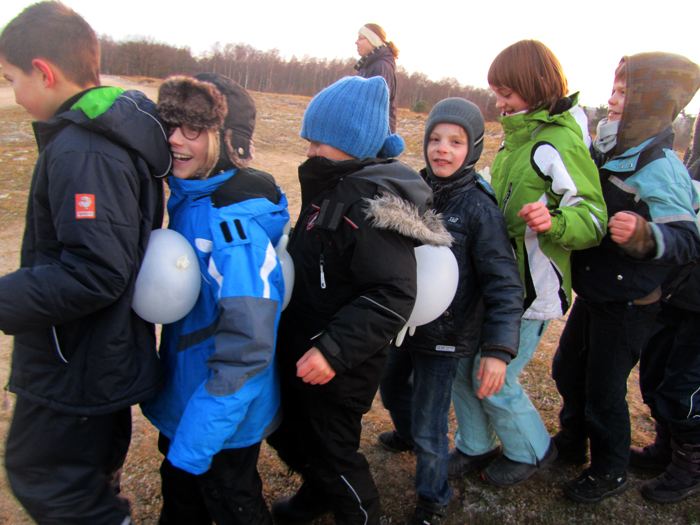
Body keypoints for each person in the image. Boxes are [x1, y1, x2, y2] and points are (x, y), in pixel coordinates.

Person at [0, 3, 170, 524]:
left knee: (48, 479)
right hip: (94, 355)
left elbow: (98, 271)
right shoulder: (93, 137)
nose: (13, 93)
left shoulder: (86, 149)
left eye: (11, 79)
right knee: (82, 480)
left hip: (78, 362)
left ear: (44, 72)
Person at [266, 75, 452, 525]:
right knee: (287, 432)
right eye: (310, 140)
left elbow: (392, 293)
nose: (310, 151)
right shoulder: (332, 187)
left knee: (334, 454)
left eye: (320, 142)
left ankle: (357, 511)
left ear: (351, 144)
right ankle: (317, 495)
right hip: (305, 344)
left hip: (340, 365)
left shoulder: (368, 203)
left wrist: (333, 351)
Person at [448, 39, 607, 488]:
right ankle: (475, 444)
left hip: (531, 289)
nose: (498, 103)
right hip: (495, 285)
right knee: (464, 368)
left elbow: (594, 219)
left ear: (534, 87)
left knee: (494, 375)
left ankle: (533, 450)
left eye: (507, 94)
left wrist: (553, 222)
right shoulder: (518, 141)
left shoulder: (556, 143)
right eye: (496, 93)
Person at [141, 74, 289, 525]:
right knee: (181, 501)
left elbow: (247, 347)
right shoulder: (190, 195)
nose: (174, 140)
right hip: (188, 397)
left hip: (221, 418)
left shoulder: (231, 228)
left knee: (232, 503)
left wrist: (198, 437)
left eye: (192, 130)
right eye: (170, 125)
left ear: (227, 141)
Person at [552, 52, 700, 504]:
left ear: (650, 103)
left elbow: (687, 238)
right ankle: (572, 441)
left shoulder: (660, 166)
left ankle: (610, 468)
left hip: (631, 301)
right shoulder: (611, 146)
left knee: (604, 388)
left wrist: (644, 236)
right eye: (613, 90)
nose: (613, 101)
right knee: (567, 369)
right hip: (597, 290)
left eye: (623, 92)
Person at [377, 98, 524, 525]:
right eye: (435, 139)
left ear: (473, 148)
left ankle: (433, 497)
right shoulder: (412, 190)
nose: (442, 149)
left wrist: (498, 348)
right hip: (405, 324)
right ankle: (406, 435)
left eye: (455, 142)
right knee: (392, 389)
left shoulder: (481, 209)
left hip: (445, 336)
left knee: (430, 421)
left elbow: (503, 283)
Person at [355, 23, 399, 133]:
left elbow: (376, 111)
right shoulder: (368, 65)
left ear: (372, 40)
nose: (356, 42)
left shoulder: (381, 67)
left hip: (375, 138)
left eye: (360, 38)